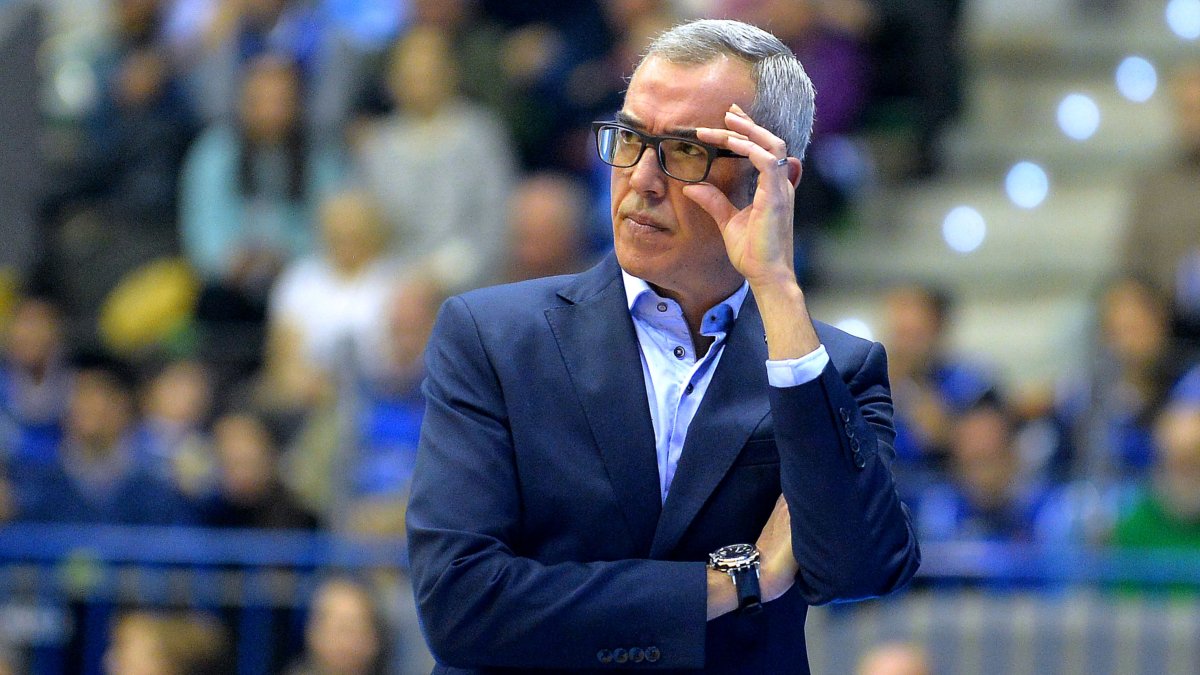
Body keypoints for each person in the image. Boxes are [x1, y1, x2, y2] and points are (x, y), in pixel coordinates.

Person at [406, 19, 919, 673]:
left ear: (774, 179)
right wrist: (734, 581)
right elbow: (460, 606)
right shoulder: (493, 338)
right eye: (629, 138)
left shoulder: (830, 369)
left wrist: (778, 288)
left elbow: (859, 566)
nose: (640, 178)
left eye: (682, 151)